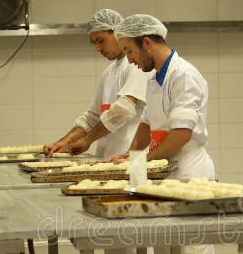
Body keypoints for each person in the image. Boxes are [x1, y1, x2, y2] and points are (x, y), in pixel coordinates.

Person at [91, 14, 216, 180]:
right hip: (165, 170)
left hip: (190, 173)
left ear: (147, 43)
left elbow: (181, 133)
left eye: (129, 51)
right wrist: (130, 155)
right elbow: (146, 123)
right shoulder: (152, 79)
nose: (129, 59)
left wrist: (141, 160)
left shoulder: (183, 75)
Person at [44, 9, 148, 159]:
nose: (98, 48)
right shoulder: (109, 72)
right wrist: (64, 143)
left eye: (101, 41)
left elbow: (123, 111)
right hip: (107, 156)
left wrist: (87, 140)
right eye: (95, 43)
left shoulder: (136, 65)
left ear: (117, 32)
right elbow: (92, 117)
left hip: (128, 157)